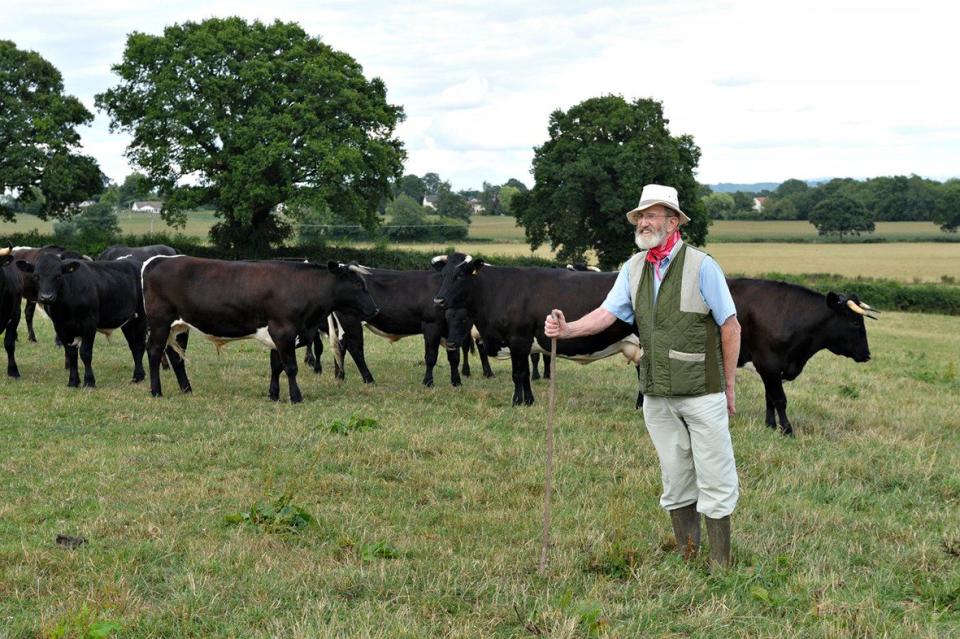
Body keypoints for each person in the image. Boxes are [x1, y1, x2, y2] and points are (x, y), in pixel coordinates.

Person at [544, 184, 741, 567]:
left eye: (653, 215)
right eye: (641, 216)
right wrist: (568, 331)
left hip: (702, 391)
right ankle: (688, 555)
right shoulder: (633, 268)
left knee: (715, 475)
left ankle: (721, 565)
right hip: (655, 391)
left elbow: (730, 326)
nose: (644, 222)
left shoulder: (703, 265)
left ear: (672, 222)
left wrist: (729, 386)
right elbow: (608, 313)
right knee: (674, 475)